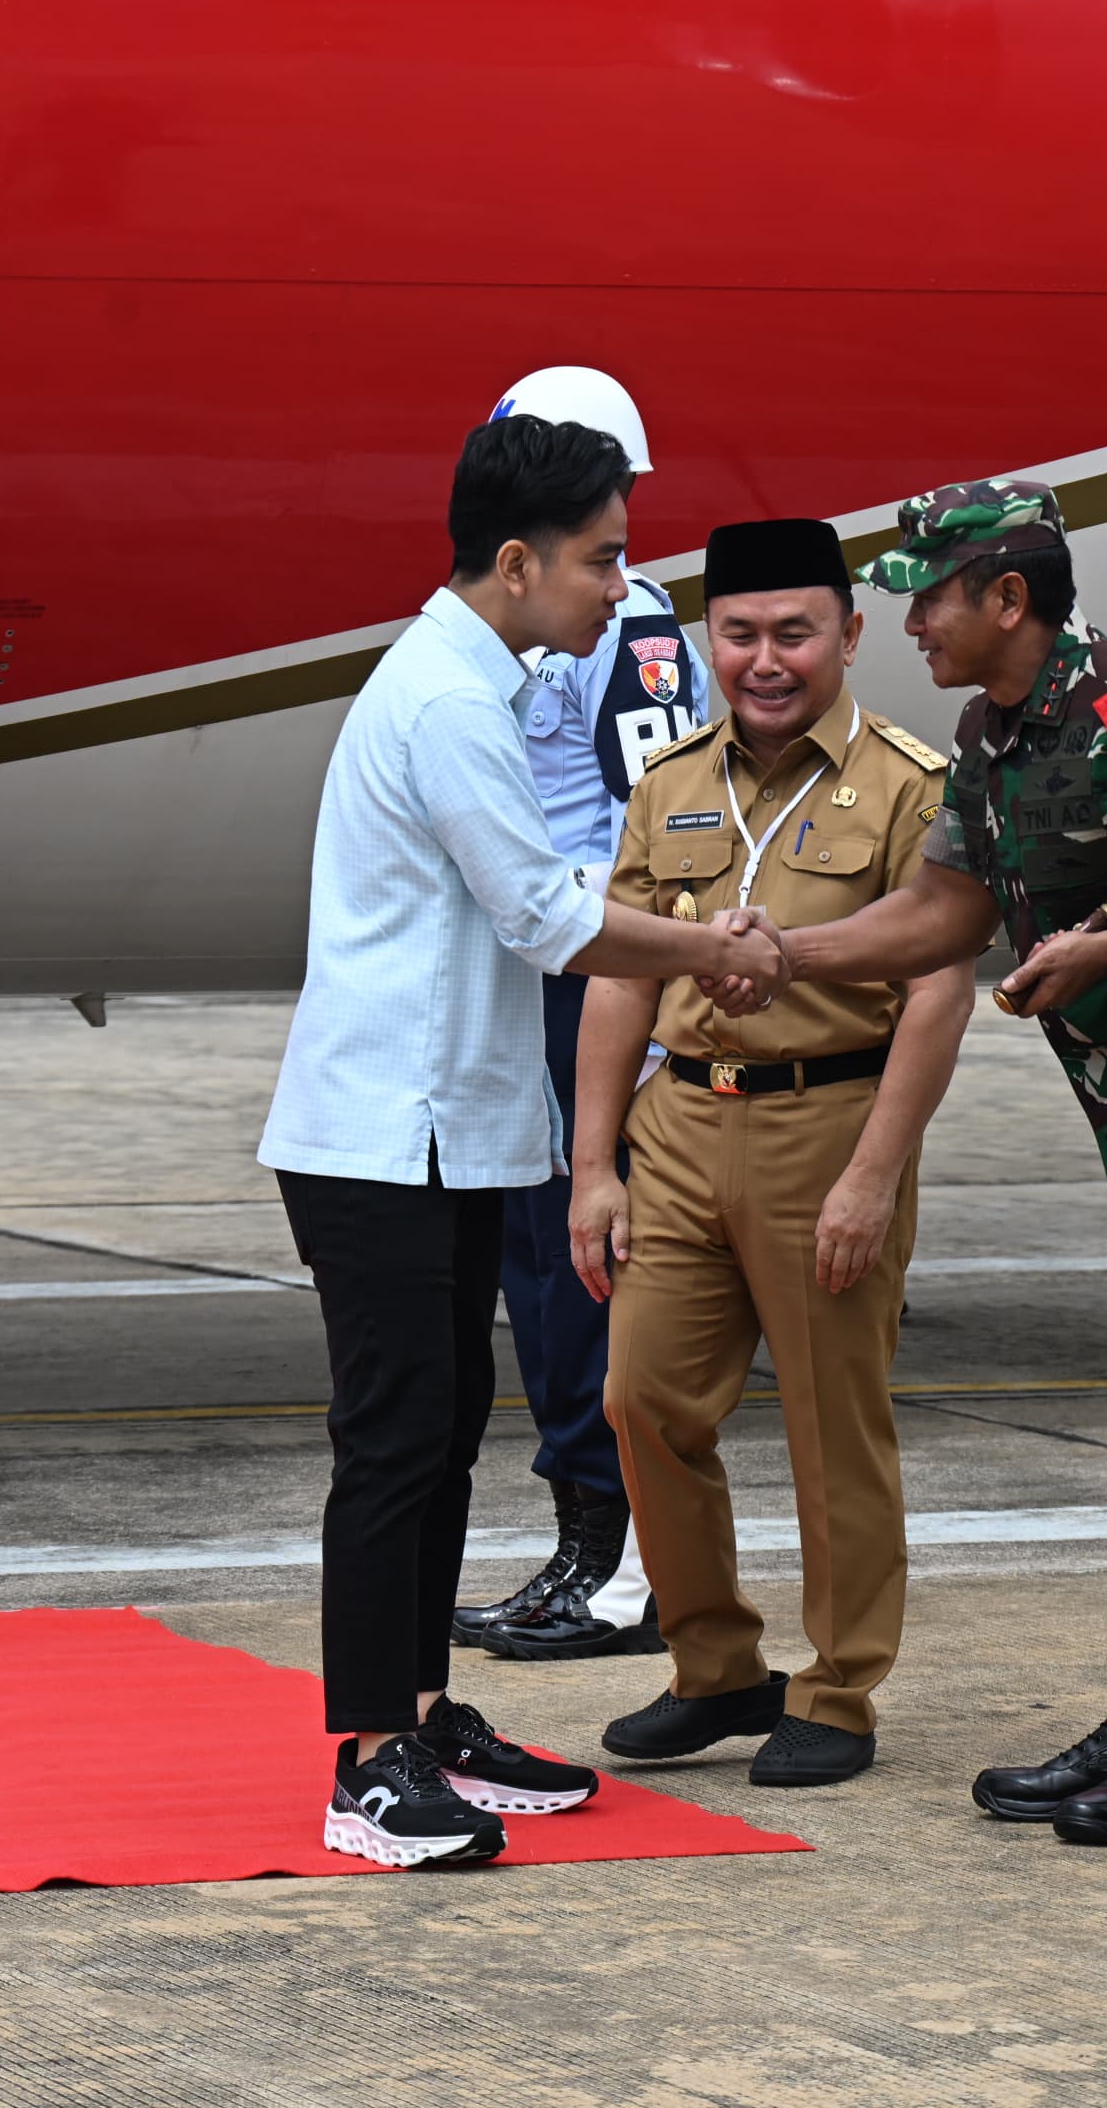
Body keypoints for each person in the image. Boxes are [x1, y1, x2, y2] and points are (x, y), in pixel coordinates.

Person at [257, 415, 794, 1870]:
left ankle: (423, 1715)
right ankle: (368, 1764)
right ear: (516, 563)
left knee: (435, 1440)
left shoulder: (475, 682)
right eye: (604, 561)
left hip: (440, 1132)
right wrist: (710, 945)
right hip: (381, 1135)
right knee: (391, 1445)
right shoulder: (444, 700)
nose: (622, 591)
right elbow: (547, 916)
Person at [758, 477, 1107, 1845]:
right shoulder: (995, 733)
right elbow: (946, 908)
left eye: (929, 598)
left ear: (1009, 598)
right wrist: (773, 952)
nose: (912, 624)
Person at [573, 517, 976, 1788]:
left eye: (795, 633)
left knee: (830, 1426)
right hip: (681, 1125)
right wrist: (594, 1165)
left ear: (849, 636)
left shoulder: (913, 785)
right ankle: (714, 1667)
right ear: (708, 639)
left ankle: (840, 1689)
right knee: (641, 1400)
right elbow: (618, 979)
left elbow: (939, 990)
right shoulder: (671, 781)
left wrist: (873, 1174)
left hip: (827, 1124)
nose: (765, 659)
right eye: (739, 633)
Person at [447, 367, 704, 1664]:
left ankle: (607, 1560)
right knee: (565, 1265)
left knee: (566, 1273)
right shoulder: (655, 615)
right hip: (609, 966)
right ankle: (616, 1550)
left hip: (570, 973)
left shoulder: (558, 623)